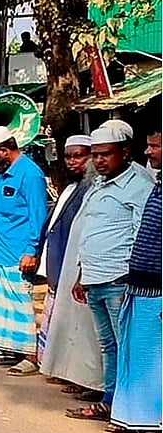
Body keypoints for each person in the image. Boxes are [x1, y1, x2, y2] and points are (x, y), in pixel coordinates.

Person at [65, 126, 154, 418]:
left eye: (106, 154)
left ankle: (130, 409)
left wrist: (130, 276)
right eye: (96, 155)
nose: (99, 161)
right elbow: (93, 230)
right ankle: (111, 400)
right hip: (94, 278)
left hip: (119, 280)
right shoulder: (99, 184)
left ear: (125, 153)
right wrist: (82, 274)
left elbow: (142, 234)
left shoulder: (139, 185)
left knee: (126, 345)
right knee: (108, 345)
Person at [0, 126, 47, 370]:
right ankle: (9, 350)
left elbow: (38, 216)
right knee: (3, 307)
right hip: (0, 253)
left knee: (21, 306)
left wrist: (31, 250)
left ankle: (30, 357)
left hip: (19, 254)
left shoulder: (30, 174)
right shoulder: (0, 173)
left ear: (4, 150)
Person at [39, 135, 102, 397]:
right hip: (62, 269)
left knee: (86, 331)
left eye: (79, 156)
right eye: (69, 156)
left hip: (84, 271)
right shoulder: (70, 188)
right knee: (65, 324)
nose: (73, 162)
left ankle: (91, 383)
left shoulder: (94, 188)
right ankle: (68, 372)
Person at [109, 154, 160, 433]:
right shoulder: (157, 184)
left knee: (155, 363)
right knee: (138, 360)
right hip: (142, 287)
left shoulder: (142, 183)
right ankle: (146, 425)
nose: (149, 152)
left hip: (157, 291)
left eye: (156, 145)